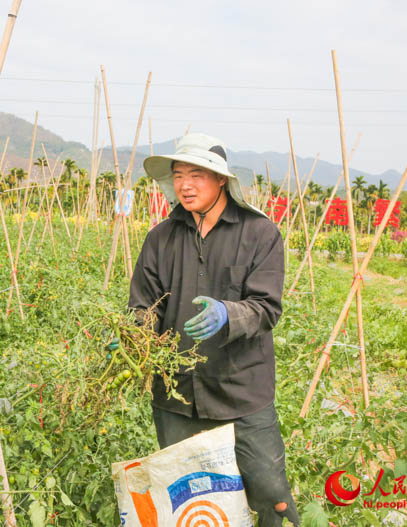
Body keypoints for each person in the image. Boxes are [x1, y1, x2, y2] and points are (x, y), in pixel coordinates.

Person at [127, 133, 300, 526]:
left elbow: (266, 307)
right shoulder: (161, 238)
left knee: (269, 492)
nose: (185, 185)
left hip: (241, 391)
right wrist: (133, 335)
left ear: (221, 179)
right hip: (177, 395)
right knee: (188, 493)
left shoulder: (259, 234)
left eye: (196, 175)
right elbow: (144, 304)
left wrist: (228, 313)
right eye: (178, 175)